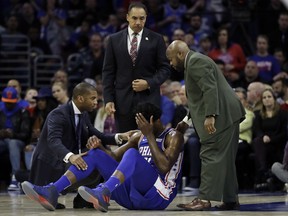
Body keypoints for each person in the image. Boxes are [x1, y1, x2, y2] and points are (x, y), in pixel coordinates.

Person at [21, 102, 184, 212]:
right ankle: (53, 190)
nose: (139, 128)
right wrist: (99, 147)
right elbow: (113, 156)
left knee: (132, 153)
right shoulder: (138, 136)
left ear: (152, 121)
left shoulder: (173, 136)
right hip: (131, 197)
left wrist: (149, 136)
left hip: (158, 195)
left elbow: (164, 167)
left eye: (142, 124)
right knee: (95, 154)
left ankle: (105, 191)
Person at [166, 40, 245, 210]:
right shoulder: (194, 61)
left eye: (171, 59)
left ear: (180, 54)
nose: (171, 64)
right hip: (228, 113)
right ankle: (231, 199)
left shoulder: (195, 62)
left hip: (221, 115)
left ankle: (204, 199)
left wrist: (211, 115)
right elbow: (199, 98)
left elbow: (210, 89)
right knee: (225, 159)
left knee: (210, 153)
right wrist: (186, 121)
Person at [28, 82, 132, 209]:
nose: (96, 101)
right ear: (80, 98)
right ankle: (49, 191)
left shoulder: (83, 114)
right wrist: (71, 156)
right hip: (50, 166)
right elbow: (53, 141)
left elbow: (98, 134)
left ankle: (82, 199)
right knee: (92, 158)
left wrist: (121, 136)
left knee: (97, 154)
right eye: (92, 98)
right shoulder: (58, 114)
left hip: (64, 162)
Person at [103, 2, 170, 133]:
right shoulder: (113, 40)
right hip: (122, 102)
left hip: (149, 102)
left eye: (142, 18)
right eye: (134, 18)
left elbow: (165, 69)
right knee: (125, 147)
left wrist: (149, 83)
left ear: (146, 18)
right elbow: (108, 73)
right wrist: (108, 99)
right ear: (127, 17)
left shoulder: (157, 39)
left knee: (149, 147)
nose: (138, 22)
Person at [0, 87, 31, 191]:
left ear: (16, 100)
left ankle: (15, 177)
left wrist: (12, 134)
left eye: (11, 102)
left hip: (18, 141)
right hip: (2, 140)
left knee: (13, 143)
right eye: (6, 102)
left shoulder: (23, 111)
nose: (8, 105)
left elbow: (25, 134)